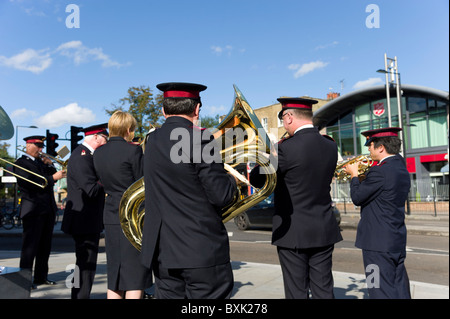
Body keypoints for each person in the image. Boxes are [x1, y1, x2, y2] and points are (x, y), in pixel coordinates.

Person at [141, 82, 238, 299]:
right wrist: (231, 178)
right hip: (200, 250)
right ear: (196, 109)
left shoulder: (151, 140)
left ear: (163, 110)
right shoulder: (201, 138)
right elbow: (221, 195)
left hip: (163, 253)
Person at [251, 98, 342, 299]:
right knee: (324, 289)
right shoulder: (330, 145)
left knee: (296, 292)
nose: (284, 124)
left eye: (284, 118)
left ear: (289, 116)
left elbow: (257, 179)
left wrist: (268, 156)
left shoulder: (285, 148)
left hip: (293, 232)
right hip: (324, 228)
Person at [344, 127, 411, 299]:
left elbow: (357, 197)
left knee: (376, 288)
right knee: (399, 286)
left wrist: (353, 175)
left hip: (376, 244)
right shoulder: (400, 167)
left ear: (381, 147)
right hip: (395, 239)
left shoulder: (380, 171)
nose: (368, 149)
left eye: (371, 145)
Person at [93, 111, 152, 299]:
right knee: (135, 276)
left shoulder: (99, 152)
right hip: (132, 216)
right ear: (128, 129)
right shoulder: (133, 150)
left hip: (110, 214)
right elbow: (142, 183)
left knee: (115, 275)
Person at [61, 124, 108, 299]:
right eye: (104, 138)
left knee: (85, 265)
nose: (105, 142)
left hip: (87, 219)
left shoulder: (86, 155)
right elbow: (91, 189)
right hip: (84, 220)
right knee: (85, 265)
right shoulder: (82, 157)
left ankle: (80, 295)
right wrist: (108, 176)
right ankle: (80, 296)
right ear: (96, 137)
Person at [14, 135, 66, 288]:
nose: (40, 149)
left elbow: (52, 178)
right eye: (37, 145)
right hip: (32, 210)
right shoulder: (21, 163)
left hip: (47, 209)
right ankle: (24, 279)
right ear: (28, 145)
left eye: (41, 146)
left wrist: (50, 165)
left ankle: (41, 277)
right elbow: (32, 183)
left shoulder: (40, 162)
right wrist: (51, 177)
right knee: (29, 248)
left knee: (45, 247)